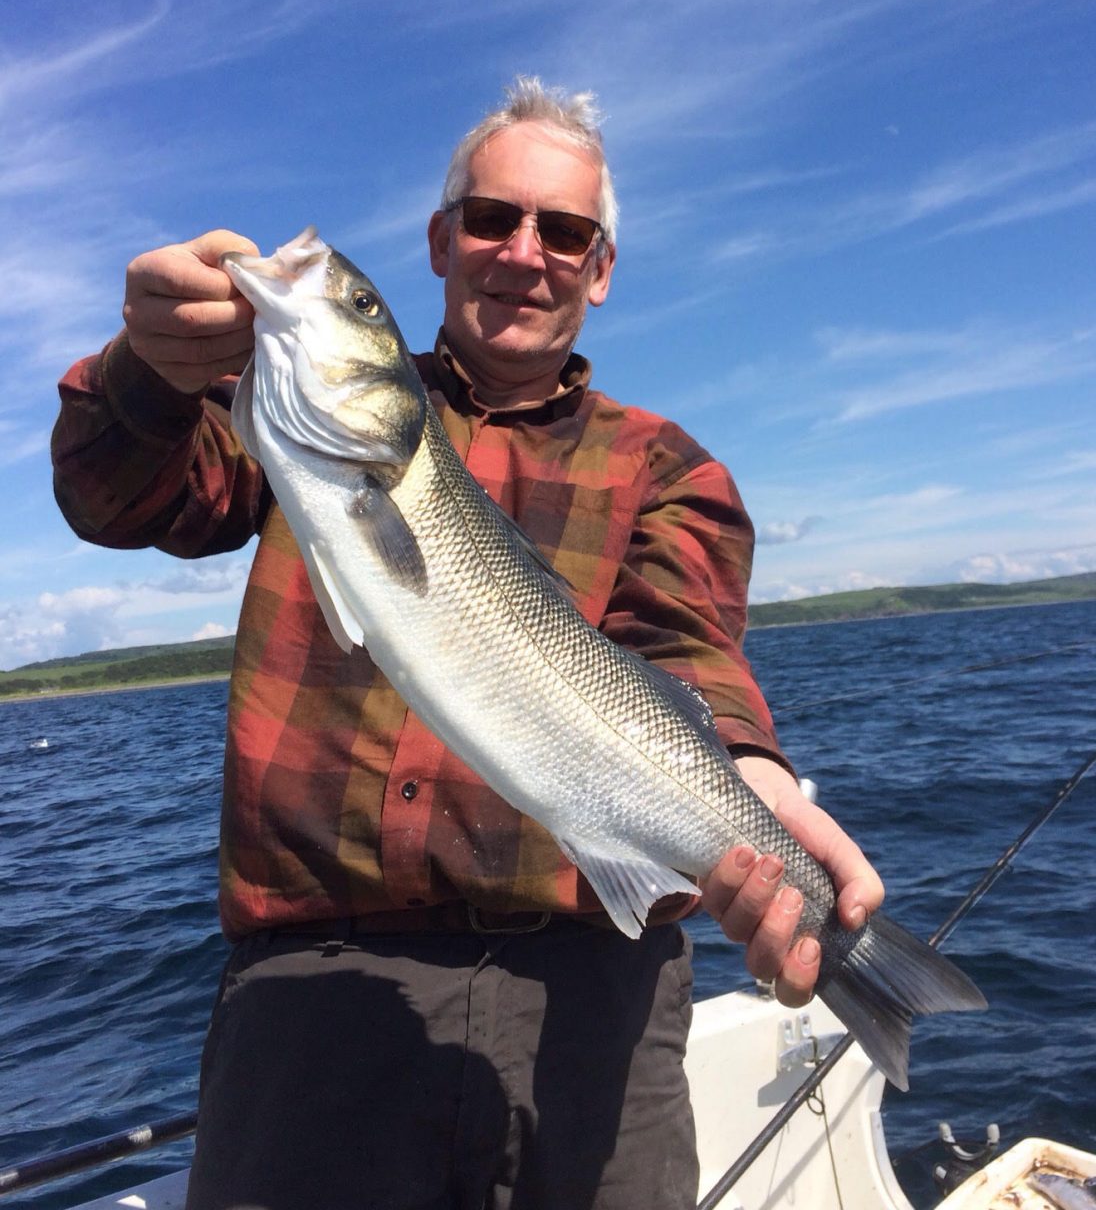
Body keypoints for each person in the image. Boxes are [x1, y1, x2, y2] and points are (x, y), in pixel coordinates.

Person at [52, 77, 883, 1210]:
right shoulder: (281, 414)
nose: (523, 252)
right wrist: (148, 371)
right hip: (316, 994)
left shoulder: (666, 468)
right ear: (442, 243)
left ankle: (883, 987)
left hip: (594, 998)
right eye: (491, 219)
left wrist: (753, 776)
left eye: (565, 231)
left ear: (599, 269)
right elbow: (120, 498)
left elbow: (684, 651)